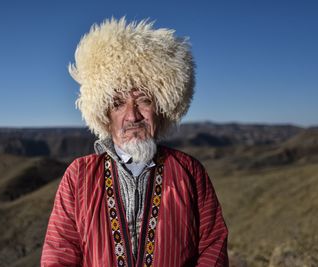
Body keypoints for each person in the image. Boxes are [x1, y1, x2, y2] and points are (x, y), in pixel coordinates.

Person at [41, 17, 228, 267]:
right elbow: (59, 254)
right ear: (105, 116)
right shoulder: (78, 177)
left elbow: (212, 247)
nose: (133, 115)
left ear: (160, 109)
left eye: (144, 101)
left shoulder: (190, 172)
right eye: (118, 104)